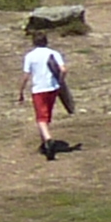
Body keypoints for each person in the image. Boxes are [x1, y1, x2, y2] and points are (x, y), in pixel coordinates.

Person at [21, 25, 73, 158]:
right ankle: (44, 142)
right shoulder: (54, 53)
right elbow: (63, 69)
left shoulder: (30, 56)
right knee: (46, 115)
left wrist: (21, 90)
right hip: (53, 87)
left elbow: (26, 75)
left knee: (41, 118)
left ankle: (48, 141)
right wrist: (60, 81)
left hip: (39, 88)